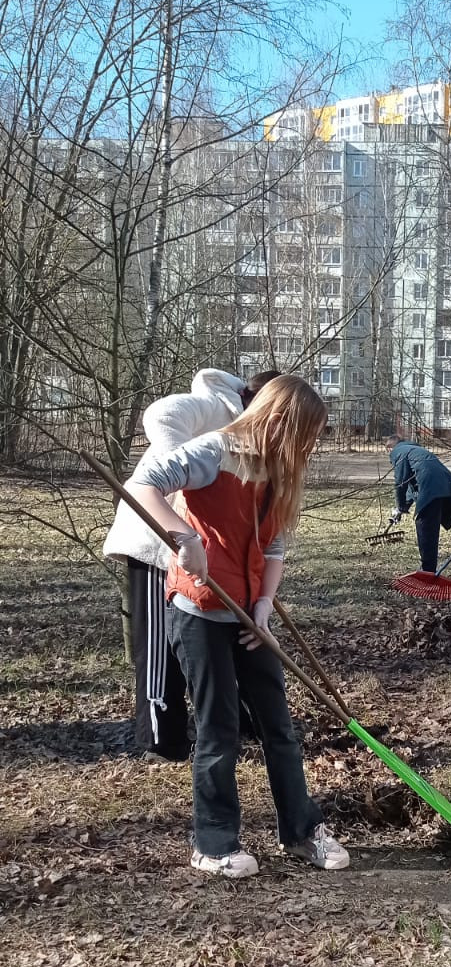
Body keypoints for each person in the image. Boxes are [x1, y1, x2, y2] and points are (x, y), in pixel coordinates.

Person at [130, 374, 349, 878]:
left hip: (250, 615)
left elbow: (274, 545)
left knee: (279, 727)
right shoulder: (214, 451)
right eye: (307, 435)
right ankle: (214, 844)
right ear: (281, 421)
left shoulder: (278, 470)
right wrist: (185, 538)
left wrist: (265, 605)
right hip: (199, 610)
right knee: (220, 729)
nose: (310, 447)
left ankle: (301, 831)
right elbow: (145, 486)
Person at [104, 368, 279, 761]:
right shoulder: (217, 405)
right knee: (159, 643)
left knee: (214, 636)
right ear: (259, 404)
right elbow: (160, 416)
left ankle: (238, 719)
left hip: (206, 548)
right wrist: (185, 483)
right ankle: (161, 738)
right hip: (156, 537)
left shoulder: (254, 435)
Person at [386, 436, 451, 573]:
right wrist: (403, 507)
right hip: (448, 486)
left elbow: (401, 482)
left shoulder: (398, 452)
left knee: (425, 524)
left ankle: (428, 570)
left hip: (431, 487)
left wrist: (399, 506)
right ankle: (428, 567)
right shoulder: (416, 450)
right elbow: (413, 484)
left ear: (389, 449)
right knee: (429, 525)